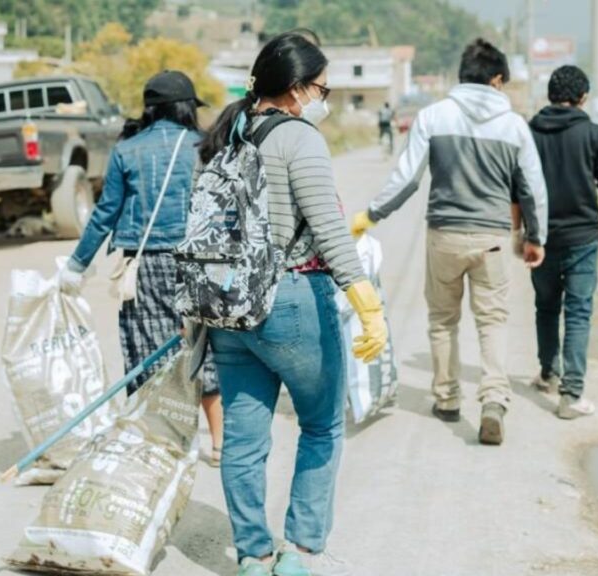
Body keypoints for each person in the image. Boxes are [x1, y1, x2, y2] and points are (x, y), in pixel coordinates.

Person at [198, 31, 387, 576]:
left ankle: (253, 555)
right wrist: (364, 297)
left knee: (244, 438)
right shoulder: (298, 138)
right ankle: (299, 552)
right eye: (322, 89)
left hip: (230, 306)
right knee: (323, 424)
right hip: (291, 299)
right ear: (297, 89)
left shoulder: (229, 135)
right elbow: (327, 226)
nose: (323, 100)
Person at [351, 38, 548, 446]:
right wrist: (535, 237)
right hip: (493, 237)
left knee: (443, 320)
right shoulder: (514, 126)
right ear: (496, 79)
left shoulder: (433, 116)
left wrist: (371, 215)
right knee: (492, 321)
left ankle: (446, 398)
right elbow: (532, 188)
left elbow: (405, 179)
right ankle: (493, 400)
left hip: (445, 235)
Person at [57, 70, 225, 464]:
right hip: (198, 263)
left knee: (150, 352)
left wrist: (77, 264)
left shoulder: (127, 150)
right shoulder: (204, 146)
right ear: (186, 107)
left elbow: (104, 214)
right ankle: (219, 443)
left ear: (149, 109)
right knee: (206, 349)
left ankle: (169, 443)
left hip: (145, 265)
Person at [526, 65, 598, 419]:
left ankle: (548, 373)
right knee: (578, 313)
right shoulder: (595, 135)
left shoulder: (529, 132)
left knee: (546, 306)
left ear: (550, 96)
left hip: (539, 237)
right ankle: (571, 395)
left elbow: (518, 186)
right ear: (583, 97)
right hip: (583, 238)